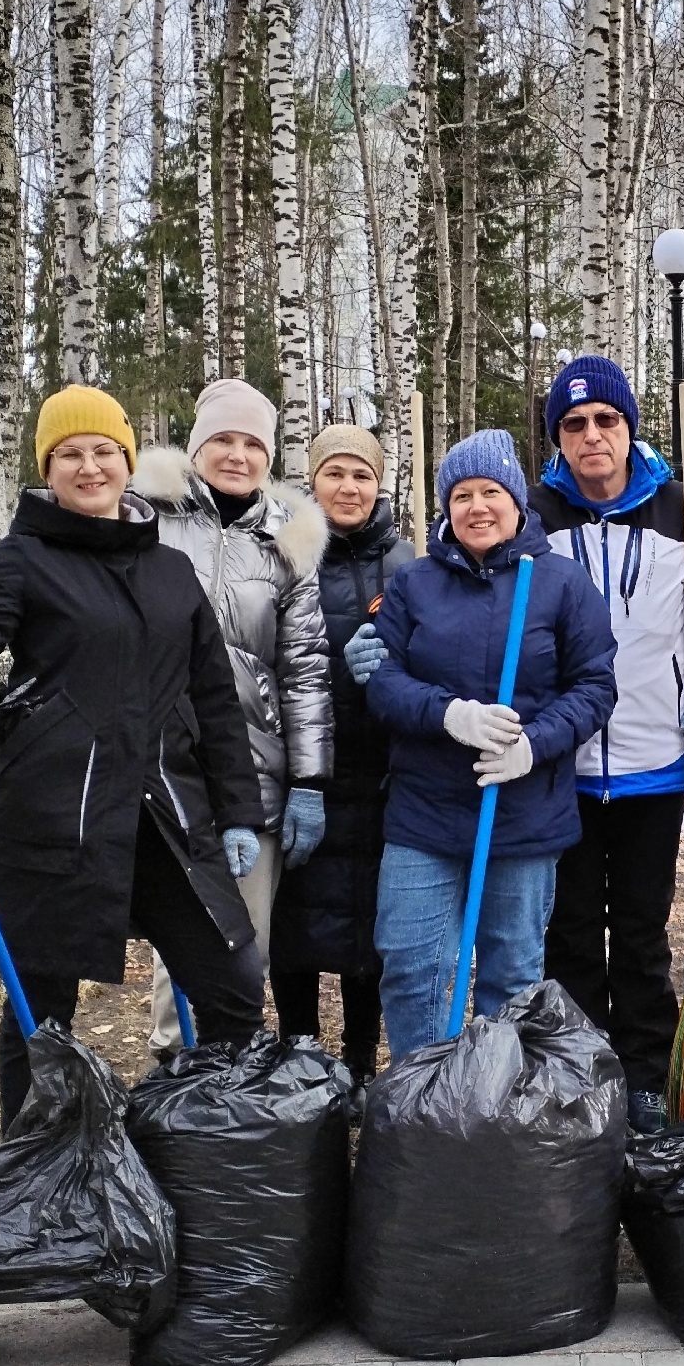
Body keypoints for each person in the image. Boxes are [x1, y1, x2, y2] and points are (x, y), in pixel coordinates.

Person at [0, 385, 268, 1127]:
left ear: (128, 462)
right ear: (48, 467)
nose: (90, 467)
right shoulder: (23, 560)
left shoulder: (170, 571)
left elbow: (216, 703)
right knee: (42, 1010)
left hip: (165, 817)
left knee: (230, 985)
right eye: (71, 454)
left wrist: (236, 810)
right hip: (58, 817)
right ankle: (32, 1162)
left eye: (105, 451)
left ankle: (219, 1150)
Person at [367, 431, 619, 1059]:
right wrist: (448, 714)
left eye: (490, 492)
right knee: (411, 967)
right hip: (424, 812)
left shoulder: (560, 583)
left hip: (526, 812)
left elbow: (594, 686)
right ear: (444, 508)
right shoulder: (414, 584)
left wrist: (532, 746)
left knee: (511, 978)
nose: (476, 507)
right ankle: (422, 1104)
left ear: (516, 501)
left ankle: (493, 1107)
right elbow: (384, 681)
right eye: (461, 495)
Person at [529, 356, 684, 1132]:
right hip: (563, 763)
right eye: (574, 425)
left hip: (654, 758)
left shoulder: (683, 510)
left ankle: (646, 1071)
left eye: (605, 421)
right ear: (558, 439)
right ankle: (581, 1070)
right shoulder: (536, 513)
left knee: (642, 929)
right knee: (571, 927)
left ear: (629, 428)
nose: (591, 436)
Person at [133, 380, 333, 1057]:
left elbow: (304, 669)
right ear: (197, 446)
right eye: (223, 439)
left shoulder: (288, 543)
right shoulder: (147, 518)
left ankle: (229, 1081)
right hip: (164, 765)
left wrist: (308, 779)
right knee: (178, 928)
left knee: (244, 939)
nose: (237, 455)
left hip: (253, 769)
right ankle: (172, 1069)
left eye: (253, 444)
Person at [269, 424, 414, 1077]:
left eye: (361, 475)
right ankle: (300, 1054)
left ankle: (358, 1063)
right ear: (314, 480)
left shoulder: (406, 563)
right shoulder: (286, 554)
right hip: (303, 772)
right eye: (335, 474)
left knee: (367, 933)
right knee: (292, 928)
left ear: (378, 482)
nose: (349, 487)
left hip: (382, 774)